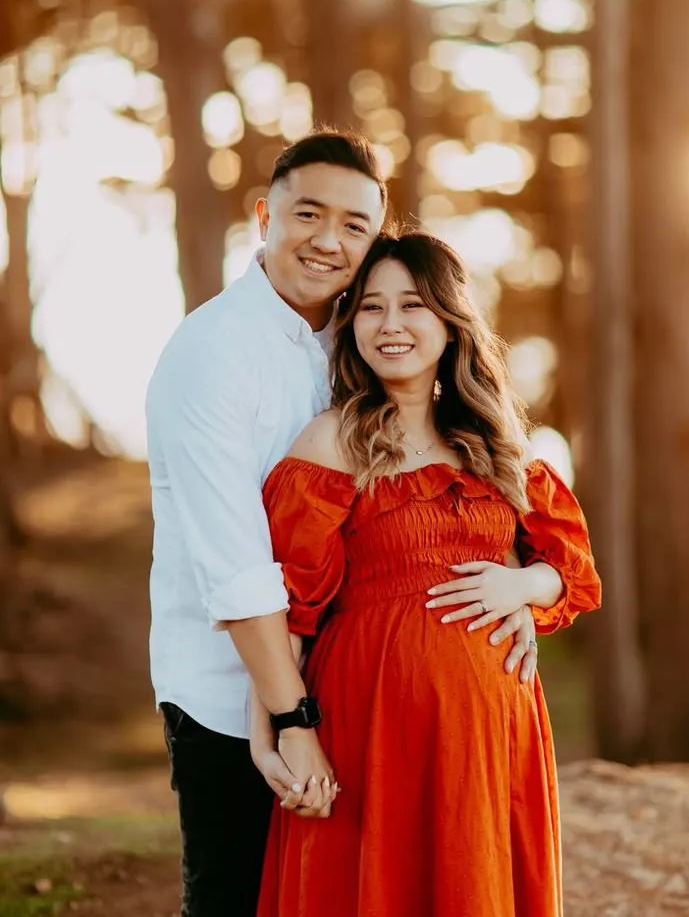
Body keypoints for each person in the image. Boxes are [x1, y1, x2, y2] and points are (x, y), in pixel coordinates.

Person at [145, 130, 540, 917]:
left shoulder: (356, 343)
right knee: (239, 899)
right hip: (235, 701)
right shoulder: (212, 353)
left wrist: (531, 585)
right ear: (264, 216)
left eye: (354, 225)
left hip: (353, 704)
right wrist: (288, 720)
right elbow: (240, 569)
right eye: (308, 214)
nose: (329, 240)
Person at [253, 231, 602, 917]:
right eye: (371, 307)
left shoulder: (499, 445)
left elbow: (574, 572)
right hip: (373, 724)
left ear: (449, 318)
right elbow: (287, 607)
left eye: (411, 304)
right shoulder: (333, 440)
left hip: (491, 730)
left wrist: (521, 588)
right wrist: (281, 732)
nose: (390, 325)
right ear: (350, 325)